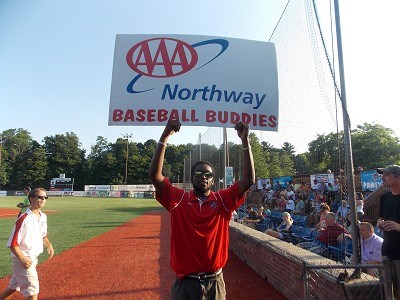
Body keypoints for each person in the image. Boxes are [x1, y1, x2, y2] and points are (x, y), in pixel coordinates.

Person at [148, 119, 255, 300]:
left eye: (208, 175)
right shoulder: (178, 198)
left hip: (215, 283)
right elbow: (154, 177)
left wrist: (245, 142)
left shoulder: (223, 200)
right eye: (198, 174)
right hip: (185, 285)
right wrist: (165, 136)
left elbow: (249, 180)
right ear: (191, 178)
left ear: (213, 180)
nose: (203, 177)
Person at [0, 188, 54, 300]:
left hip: (33, 258)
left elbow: (43, 235)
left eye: (45, 197)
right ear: (31, 198)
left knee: (13, 287)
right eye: (40, 197)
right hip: (23, 260)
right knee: (32, 292)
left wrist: (49, 245)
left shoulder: (43, 216)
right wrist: (22, 258)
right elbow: (13, 243)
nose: (43, 199)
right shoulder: (24, 219)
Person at [376, 165, 400, 298]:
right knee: (389, 291)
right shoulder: (385, 197)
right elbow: (381, 217)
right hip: (387, 253)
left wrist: (398, 227)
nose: (382, 177)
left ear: (398, 178)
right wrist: (379, 223)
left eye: (387, 175)